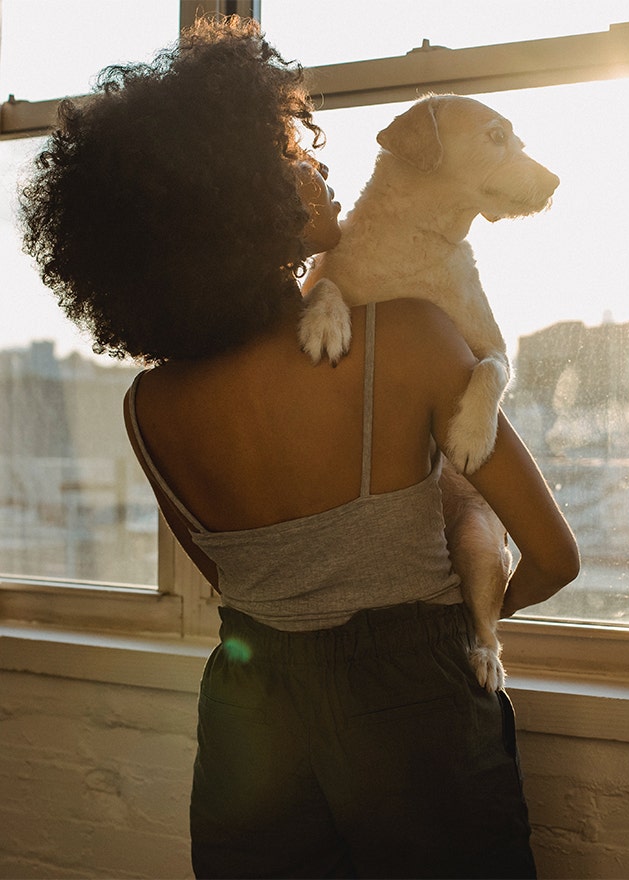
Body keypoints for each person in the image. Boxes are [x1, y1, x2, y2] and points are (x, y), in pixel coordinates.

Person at [19, 14, 579, 879]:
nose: (317, 164)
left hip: (248, 715)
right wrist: (451, 624)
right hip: (414, 709)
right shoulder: (418, 340)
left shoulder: (148, 406)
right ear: (234, 200)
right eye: (290, 156)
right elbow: (552, 556)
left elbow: (239, 582)